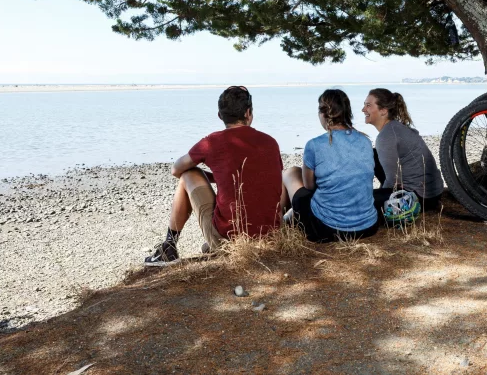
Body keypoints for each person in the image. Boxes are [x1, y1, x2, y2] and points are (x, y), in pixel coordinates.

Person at [144, 86, 283, 266]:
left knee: (189, 173)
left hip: (229, 239)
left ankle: (168, 247)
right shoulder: (270, 142)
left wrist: (209, 174)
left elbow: (176, 169)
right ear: (248, 113)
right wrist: (221, 175)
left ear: (220, 116)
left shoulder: (212, 142)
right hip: (270, 235)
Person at [280, 89, 378, 243]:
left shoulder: (314, 145)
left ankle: (277, 223)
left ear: (323, 113)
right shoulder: (365, 141)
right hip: (368, 226)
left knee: (290, 173)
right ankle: (285, 220)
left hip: (328, 228)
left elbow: (309, 186)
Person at [362, 88, 445, 220]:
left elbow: (393, 180)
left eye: (368, 105)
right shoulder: (395, 127)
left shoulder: (386, 136)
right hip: (434, 193)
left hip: (419, 197)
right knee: (373, 154)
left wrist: (379, 195)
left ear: (383, 110)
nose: (363, 109)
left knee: (362, 201)